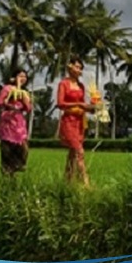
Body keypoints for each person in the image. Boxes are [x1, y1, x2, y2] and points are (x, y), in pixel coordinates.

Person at [56, 57, 94, 185]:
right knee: (79, 151)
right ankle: (86, 183)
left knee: (73, 154)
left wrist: (91, 108)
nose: (78, 70)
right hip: (69, 120)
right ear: (70, 66)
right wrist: (78, 103)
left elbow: (83, 104)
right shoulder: (64, 84)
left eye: (80, 68)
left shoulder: (81, 86)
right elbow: (60, 103)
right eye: (77, 67)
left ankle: (67, 182)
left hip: (79, 122)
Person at [0, 69, 32, 175]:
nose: (23, 79)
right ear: (14, 78)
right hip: (8, 120)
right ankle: (7, 172)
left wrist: (24, 101)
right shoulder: (7, 88)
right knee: (8, 149)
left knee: (23, 147)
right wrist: (8, 101)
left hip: (19, 121)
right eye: (20, 76)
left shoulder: (24, 92)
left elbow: (28, 108)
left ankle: (19, 165)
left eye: (25, 77)